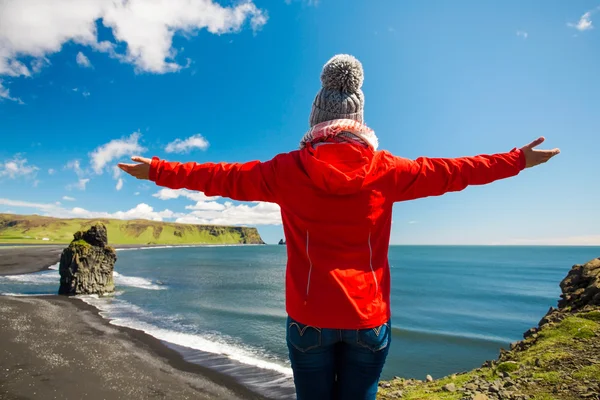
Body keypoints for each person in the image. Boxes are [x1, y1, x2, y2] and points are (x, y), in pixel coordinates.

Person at [118, 54, 560, 400]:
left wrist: (158, 169)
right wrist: (516, 160)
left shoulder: (286, 170)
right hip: (368, 320)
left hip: (309, 319)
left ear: (316, 117)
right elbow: (456, 171)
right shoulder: (387, 169)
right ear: (358, 118)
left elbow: (219, 177)